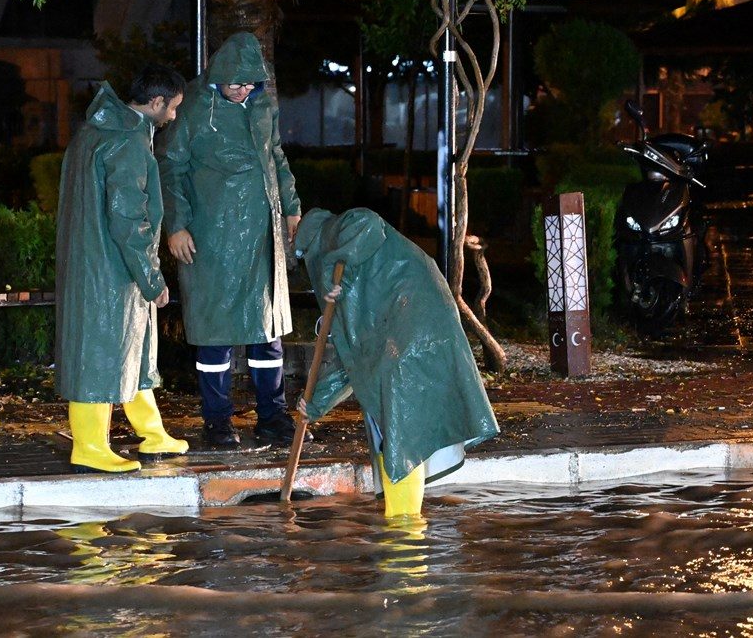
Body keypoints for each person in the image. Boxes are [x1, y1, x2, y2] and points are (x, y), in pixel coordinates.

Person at [294, 208, 499, 517]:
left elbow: (369, 225)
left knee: (399, 430)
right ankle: (402, 521)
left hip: (412, 333)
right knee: (391, 429)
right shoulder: (346, 288)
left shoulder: (346, 226)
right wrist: (316, 403)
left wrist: (339, 271)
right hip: (406, 336)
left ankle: (404, 525)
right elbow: (352, 357)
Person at [158, 32, 305, 448]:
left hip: (262, 234)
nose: (242, 89)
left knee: (267, 330)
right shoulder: (193, 108)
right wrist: (177, 225)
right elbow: (170, 166)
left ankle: (272, 417)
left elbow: (276, 155)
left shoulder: (262, 106)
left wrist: (291, 206)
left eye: (249, 82)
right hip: (212, 236)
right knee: (213, 334)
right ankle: (217, 420)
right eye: (235, 82)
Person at [54, 64, 189, 473]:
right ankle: (90, 446)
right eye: (172, 108)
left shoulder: (95, 133)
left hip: (96, 263)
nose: (173, 116)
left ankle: (153, 433)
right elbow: (129, 219)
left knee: (133, 349)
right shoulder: (127, 143)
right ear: (155, 102)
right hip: (111, 270)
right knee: (101, 354)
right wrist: (151, 277)